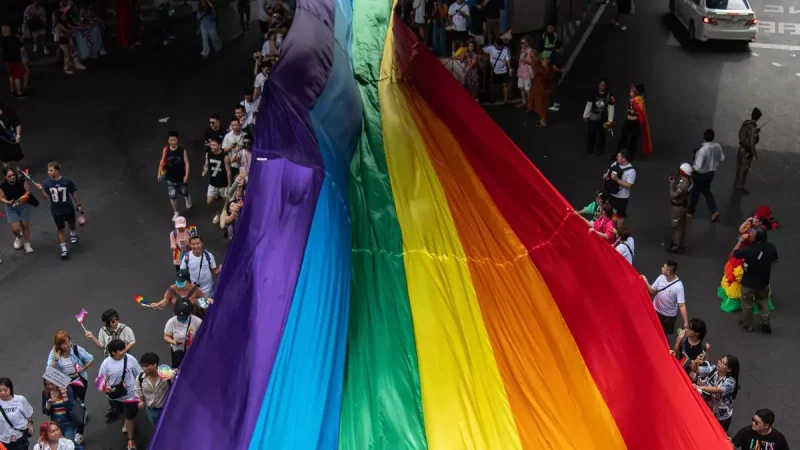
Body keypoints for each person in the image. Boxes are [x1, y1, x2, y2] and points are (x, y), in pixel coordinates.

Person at [718, 206, 778, 315]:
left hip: (745, 256)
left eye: (756, 218)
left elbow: (737, 246)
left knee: (742, 279)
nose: (753, 219)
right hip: (748, 254)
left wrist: (742, 240)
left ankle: (746, 310)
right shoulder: (755, 228)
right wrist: (747, 222)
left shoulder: (755, 233)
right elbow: (740, 229)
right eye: (754, 217)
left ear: (760, 221)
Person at [45, 331, 92, 441]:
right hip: (64, 381)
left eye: (68, 341)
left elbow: (90, 359)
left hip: (79, 379)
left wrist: (83, 368)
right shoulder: (54, 353)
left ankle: (79, 432)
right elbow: (49, 371)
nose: (68, 344)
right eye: (64, 343)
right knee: (69, 404)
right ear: (58, 345)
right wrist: (56, 359)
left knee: (78, 403)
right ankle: (78, 416)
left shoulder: (76, 349)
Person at [32, 162, 83, 259]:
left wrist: (79, 204)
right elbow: (45, 197)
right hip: (56, 211)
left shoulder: (67, 181)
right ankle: (64, 249)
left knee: (72, 223)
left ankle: (72, 233)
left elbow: (73, 192)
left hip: (68, 208)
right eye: (48, 170)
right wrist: (41, 189)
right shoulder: (47, 183)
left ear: (57, 170)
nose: (49, 172)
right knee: (60, 229)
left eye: (51, 170)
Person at [97, 340, 142, 450]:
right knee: (122, 413)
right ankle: (126, 421)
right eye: (121, 350)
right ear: (113, 352)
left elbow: (140, 374)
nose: (124, 351)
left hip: (131, 395)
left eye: (124, 348)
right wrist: (105, 387)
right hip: (116, 397)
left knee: (130, 416)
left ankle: (131, 440)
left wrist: (141, 392)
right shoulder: (106, 364)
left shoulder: (130, 359)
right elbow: (100, 381)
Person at [733, 228, 778, 334]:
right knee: (763, 300)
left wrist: (740, 241)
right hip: (764, 281)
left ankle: (747, 324)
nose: (750, 234)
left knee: (747, 302)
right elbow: (775, 260)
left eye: (752, 234)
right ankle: (765, 320)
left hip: (749, 282)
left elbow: (734, 253)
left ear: (757, 237)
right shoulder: (771, 247)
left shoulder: (749, 250)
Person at [689, 354, 740, 431]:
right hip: (709, 408)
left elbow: (718, 389)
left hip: (722, 416)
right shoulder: (713, 369)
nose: (719, 363)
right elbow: (696, 370)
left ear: (729, 369)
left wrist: (700, 388)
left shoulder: (731, 381)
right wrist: (696, 363)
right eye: (720, 360)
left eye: (724, 363)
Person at [641, 260, 687, 337]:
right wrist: (645, 281)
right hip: (655, 310)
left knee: (663, 335)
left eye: (664, 267)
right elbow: (652, 292)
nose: (662, 268)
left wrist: (685, 322)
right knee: (651, 330)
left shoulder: (679, 287)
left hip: (668, 317)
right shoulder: (661, 278)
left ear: (668, 272)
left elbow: (682, 305)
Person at [689, 129, 723, 221]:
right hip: (711, 174)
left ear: (704, 137)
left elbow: (698, 167)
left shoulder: (702, 150)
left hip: (700, 175)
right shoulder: (718, 147)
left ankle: (690, 212)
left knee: (695, 193)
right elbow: (722, 158)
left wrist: (690, 169)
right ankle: (714, 210)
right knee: (706, 190)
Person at [157, 131, 192, 221]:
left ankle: (187, 197)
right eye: (171, 140)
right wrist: (159, 174)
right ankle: (176, 212)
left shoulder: (182, 150)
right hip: (170, 178)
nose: (173, 142)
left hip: (181, 177)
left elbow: (187, 162)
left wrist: (186, 175)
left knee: (184, 191)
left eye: (175, 140)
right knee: (172, 195)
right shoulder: (166, 150)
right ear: (168, 141)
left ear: (177, 140)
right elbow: (162, 162)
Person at [1, 167, 34, 253]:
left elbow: (28, 191)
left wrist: (22, 198)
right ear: (5, 177)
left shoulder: (21, 181)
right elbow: (1, 198)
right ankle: (19, 238)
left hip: (23, 206)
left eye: (13, 175)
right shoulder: (3, 187)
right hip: (11, 208)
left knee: (25, 225)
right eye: (9, 176)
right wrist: (8, 202)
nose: (12, 177)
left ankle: (27, 244)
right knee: (15, 229)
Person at [614, 84, 652, 161]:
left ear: (637, 92)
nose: (630, 93)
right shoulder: (631, 99)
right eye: (630, 91)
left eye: (632, 92)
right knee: (623, 138)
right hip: (628, 121)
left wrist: (633, 111)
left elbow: (640, 113)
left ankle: (629, 156)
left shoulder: (639, 100)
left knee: (632, 141)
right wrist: (628, 110)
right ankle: (617, 154)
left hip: (635, 123)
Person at [164, 300, 204, 368]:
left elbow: (204, 336)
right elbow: (166, 336)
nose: (181, 318)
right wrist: (173, 341)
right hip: (178, 353)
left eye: (184, 316)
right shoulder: (171, 322)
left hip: (194, 352)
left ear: (189, 314)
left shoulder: (198, 321)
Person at [40, 381, 82, 445]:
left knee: (69, 445)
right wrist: (48, 405)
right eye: (47, 384)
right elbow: (46, 412)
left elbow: (70, 408)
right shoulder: (45, 393)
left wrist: (64, 395)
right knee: (58, 445)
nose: (50, 386)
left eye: (52, 384)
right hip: (55, 424)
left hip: (68, 423)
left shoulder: (67, 389)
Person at [135, 353, 171, 427]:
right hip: (151, 411)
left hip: (167, 409)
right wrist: (140, 402)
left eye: (147, 366)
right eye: (143, 366)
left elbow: (178, 382)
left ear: (155, 364)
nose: (144, 368)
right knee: (156, 429)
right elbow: (139, 393)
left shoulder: (166, 373)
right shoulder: (140, 378)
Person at [602, 150, 636, 227]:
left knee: (619, 216)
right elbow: (608, 173)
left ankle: (618, 233)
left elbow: (629, 185)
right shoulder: (615, 164)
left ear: (624, 159)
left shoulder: (631, 171)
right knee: (610, 212)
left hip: (622, 198)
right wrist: (606, 176)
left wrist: (617, 180)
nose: (616, 157)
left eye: (618, 156)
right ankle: (609, 229)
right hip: (611, 193)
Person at [203, 137, 231, 224]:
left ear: (219, 146)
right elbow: (206, 164)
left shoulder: (225, 157)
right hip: (213, 183)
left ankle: (226, 216)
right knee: (209, 201)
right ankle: (218, 214)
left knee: (227, 201)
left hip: (223, 184)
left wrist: (229, 184)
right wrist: (204, 170)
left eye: (214, 145)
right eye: (211, 145)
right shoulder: (208, 154)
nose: (211, 146)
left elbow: (228, 171)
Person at [0, 378, 34, 450]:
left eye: (5, 390)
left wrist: (30, 423)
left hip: (18, 438)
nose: (3, 393)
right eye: (0, 391)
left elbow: (28, 413)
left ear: (10, 389)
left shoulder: (20, 400)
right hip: (2, 439)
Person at [583, 79, 615, 155]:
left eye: (603, 85)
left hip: (603, 118)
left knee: (601, 135)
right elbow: (589, 104)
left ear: (606, 86)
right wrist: (585, 114)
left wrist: (610, 120)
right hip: (593, 117)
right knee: (590, 134)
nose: (601, 87)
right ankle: (589, 150)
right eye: (600, 85)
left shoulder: (610, 96)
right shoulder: (593, 93)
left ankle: (599, 150)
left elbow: (611, 107)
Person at [734, 107, 761, 194]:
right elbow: (752, 144)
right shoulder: (753, 128)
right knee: (744, 169)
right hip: (747, 151)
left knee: (739, 167)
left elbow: (740, 133)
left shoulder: (745, 123)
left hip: (740, 147)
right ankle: (739, 187)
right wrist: (755, 154)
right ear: (758, 118)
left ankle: (736, 184)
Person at [666, 163, 692, 254]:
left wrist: (671, 185)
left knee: (675, 226)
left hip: (678, 208)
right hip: (683, 206)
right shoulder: (687, 181)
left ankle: (675, 245)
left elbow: (673, 195)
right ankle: (682, 244)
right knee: (682, 225)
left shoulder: (683, 185)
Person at [1, 25, 29, 99]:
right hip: (16, 61)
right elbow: (22, 50)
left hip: (8, 62)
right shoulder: (15, 39)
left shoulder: (3, 40)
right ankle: (19, 93)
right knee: (17, 77)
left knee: (11, 76)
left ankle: (12, 91)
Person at [483, 38, 512, 104]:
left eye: (497, 46)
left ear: (501, 45)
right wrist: (485, 57)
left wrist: (510, 69)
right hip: (494, 70)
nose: (495, 47)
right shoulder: (491, 48)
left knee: (505, 85)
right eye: (495, 45)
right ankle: (492, 99)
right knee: (493, 85)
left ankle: (506, 100)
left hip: (503, 70)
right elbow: (482, 50)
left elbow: (508, 60)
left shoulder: (506, 50)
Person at [528, 57, 556, 128]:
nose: (542, 61)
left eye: (543, 60)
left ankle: (543, 122)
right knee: (541, 105)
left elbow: (539, 69)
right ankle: (542, 120)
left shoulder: (546, 69)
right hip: (541, 90)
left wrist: (532, 62)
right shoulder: (546, 68)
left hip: (543, 90)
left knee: (542, 106)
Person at [516, 37, 533, 107]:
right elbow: (520, 61)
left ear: (527, 43)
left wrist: (526, 61)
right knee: (521, 88)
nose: (521, 44)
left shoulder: (531, 51)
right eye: (520, 43)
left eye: (522, 43)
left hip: (527, 72)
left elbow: (533, 62)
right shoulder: (522, 50)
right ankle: (524, 102)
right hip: (521, 71)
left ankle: (529, 104)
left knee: (528, 90)